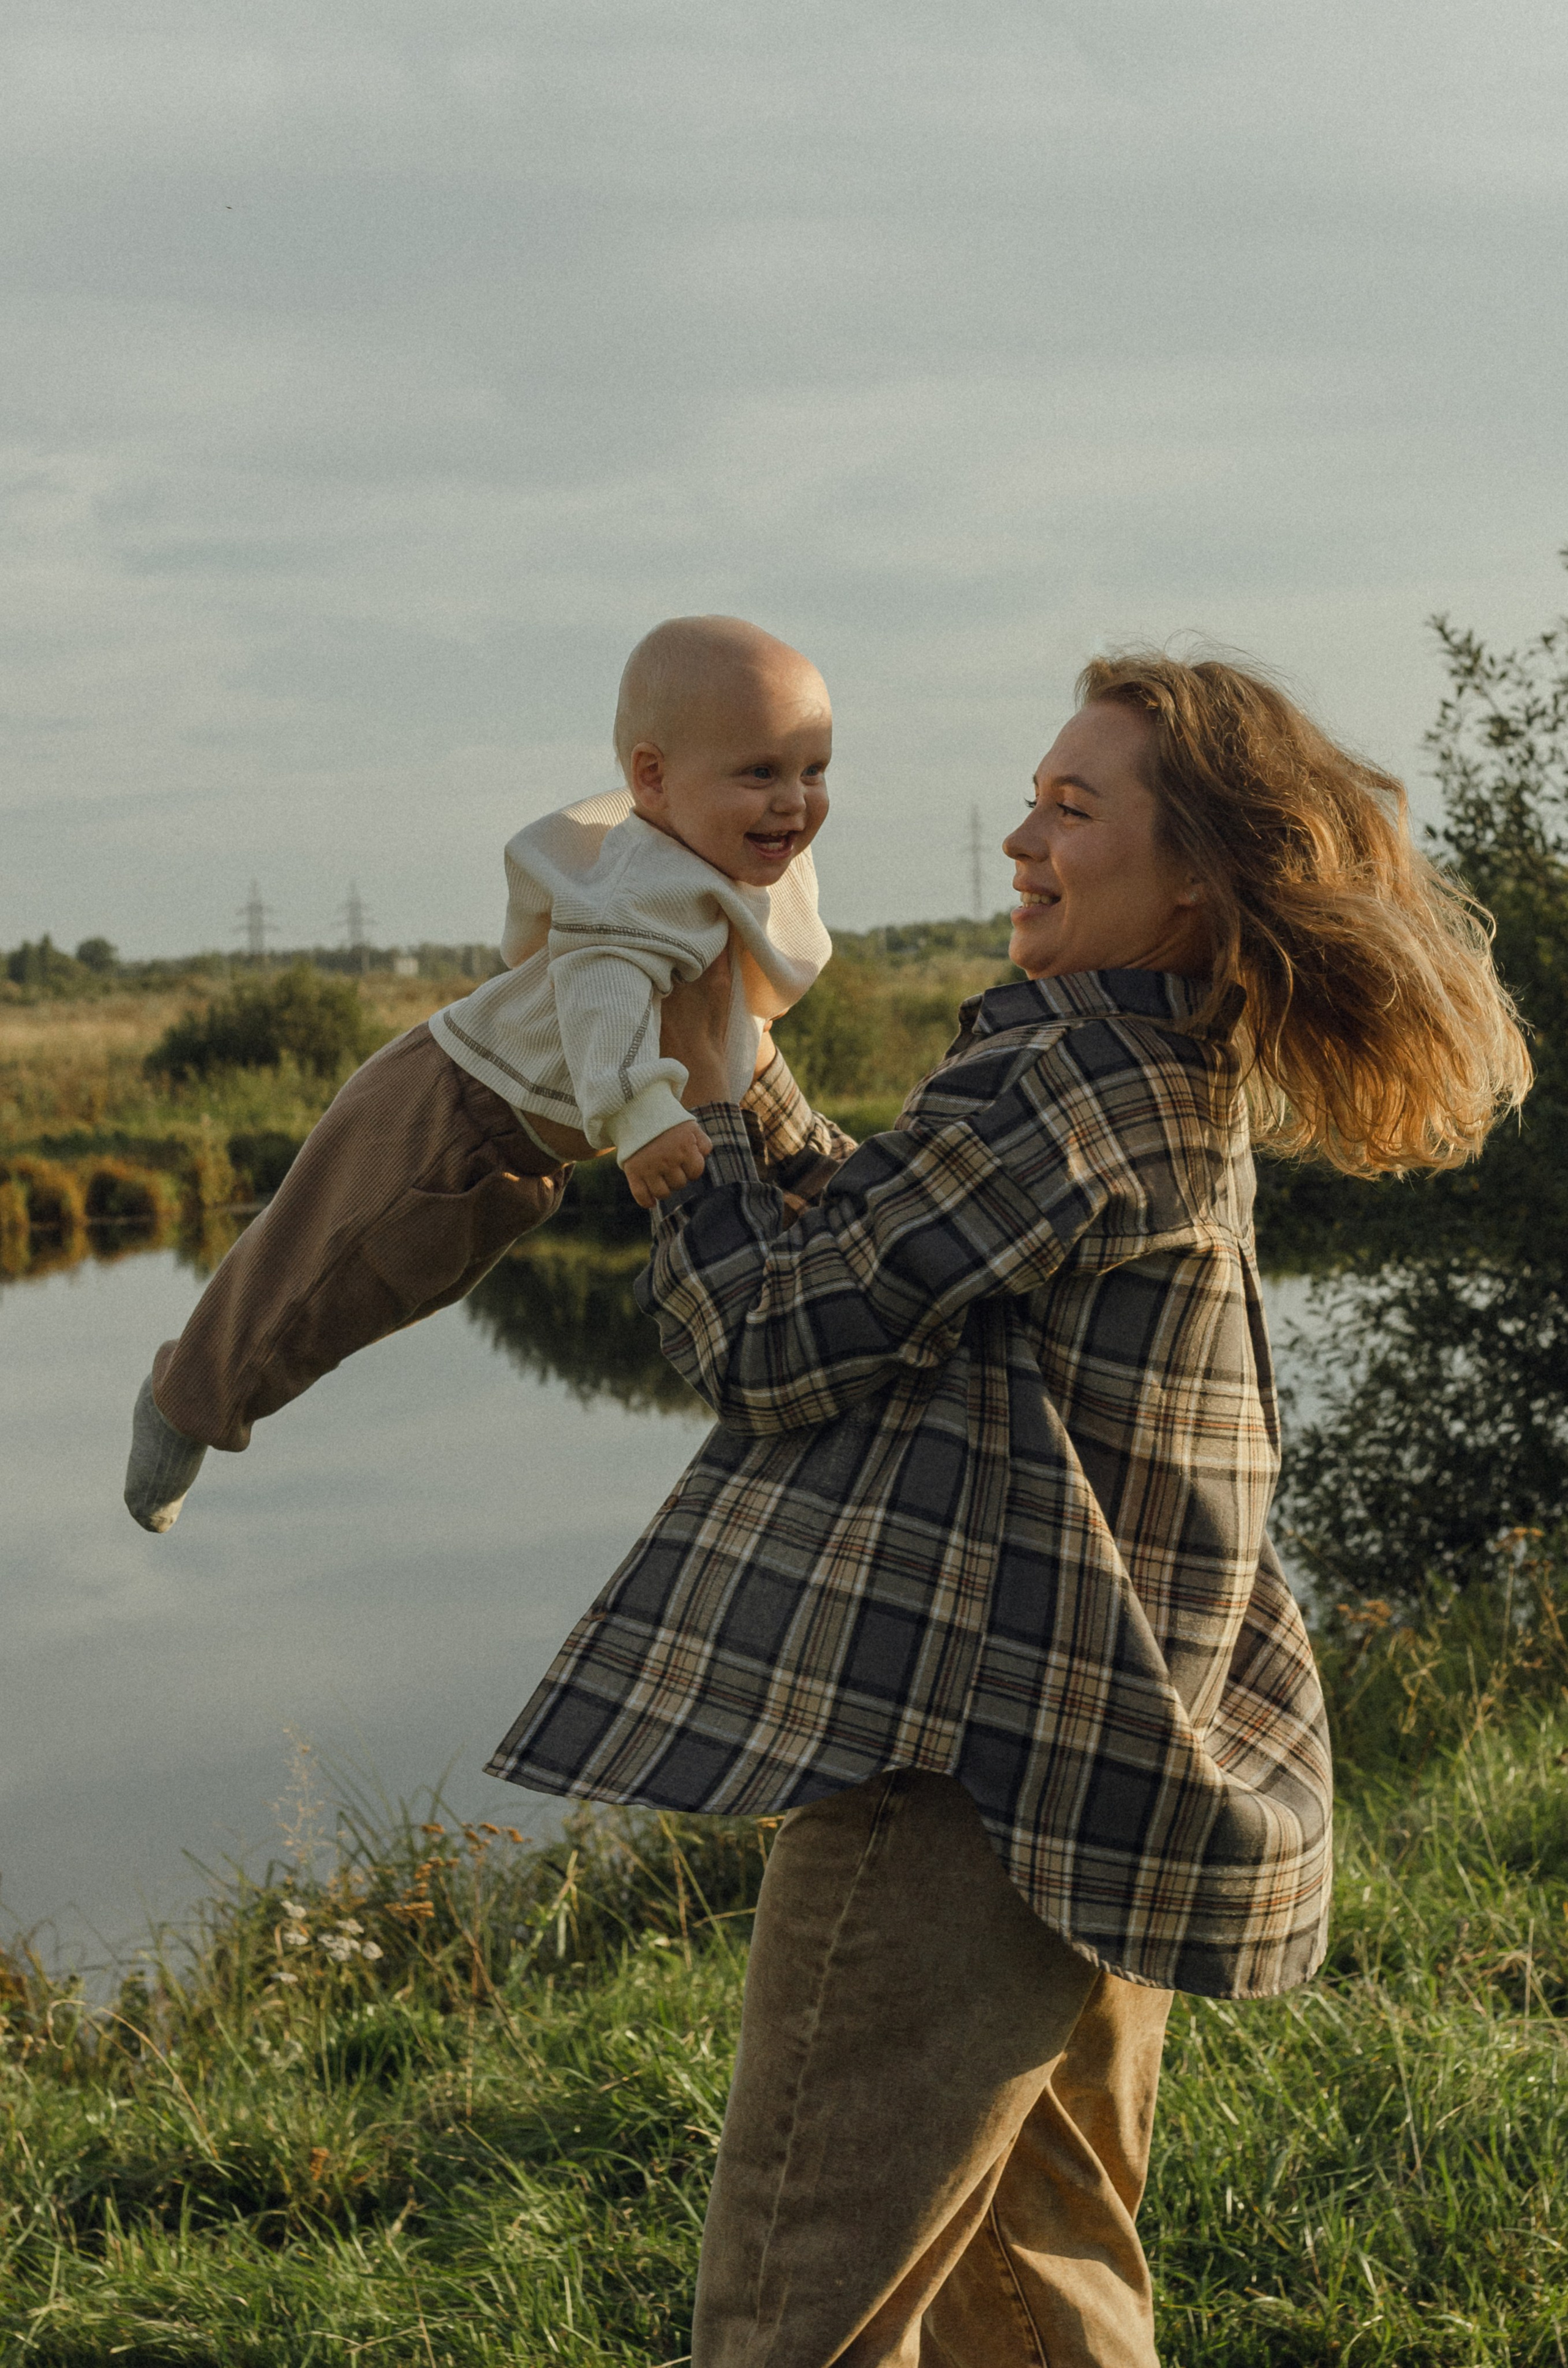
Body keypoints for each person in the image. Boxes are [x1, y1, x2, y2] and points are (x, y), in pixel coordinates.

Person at [485, 653, 1532, 2366]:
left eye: (1072, 805)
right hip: (1106, 1761)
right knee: (1038, 2284)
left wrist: (669, 1131)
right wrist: (744, 1072)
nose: (1020, 836)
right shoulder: (1162, 1072)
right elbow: (891, 1241)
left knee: (797, 2312)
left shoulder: (1071, 1079)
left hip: (966, 1768)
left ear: (1194, 870)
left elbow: (778, 1331)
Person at [122, 616, 832, 1534]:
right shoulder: (639, 882)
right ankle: (185, 1403)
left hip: (521, 1150)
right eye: (761, 773)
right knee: (312, 1277)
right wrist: (642, 1109)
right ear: (653, 779)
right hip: (442, 1106)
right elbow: (603, 989)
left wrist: (804, 1150)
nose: (794, 804)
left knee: (398, 1294)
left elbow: (740, 1032)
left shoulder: (748, 861)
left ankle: (828, 1170)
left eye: (814, 771)